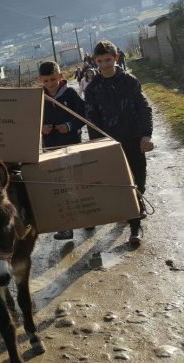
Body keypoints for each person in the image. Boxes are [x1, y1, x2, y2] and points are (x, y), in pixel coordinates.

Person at [85, 40, 154, 245]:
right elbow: (91, 121)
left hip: (134, 139)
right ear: (95, 62)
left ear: (116, 58)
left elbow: (144, 109)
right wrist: (99, 147)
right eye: (100, 61)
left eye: (108, 59)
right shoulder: (92, 89)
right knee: (125, 184)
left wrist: (146, 135)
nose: (105, 65)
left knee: (139, 180)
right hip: (111, 145)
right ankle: (135, 227)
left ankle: (137, 205)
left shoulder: (130, 81)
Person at [39, 61, 86, 240]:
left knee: (78, 182)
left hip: (72, 145)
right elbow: (31, 121)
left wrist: (69, 125)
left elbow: (83, 115)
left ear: (60, 77)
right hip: (51, 149)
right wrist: (41, 128)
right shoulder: (38, 98)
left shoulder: (71, 94)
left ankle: (88, 219)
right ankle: (66, 227)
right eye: (46, 81)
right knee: (60, 187)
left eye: (53, 79)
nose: (50, 84)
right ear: (40, 80)